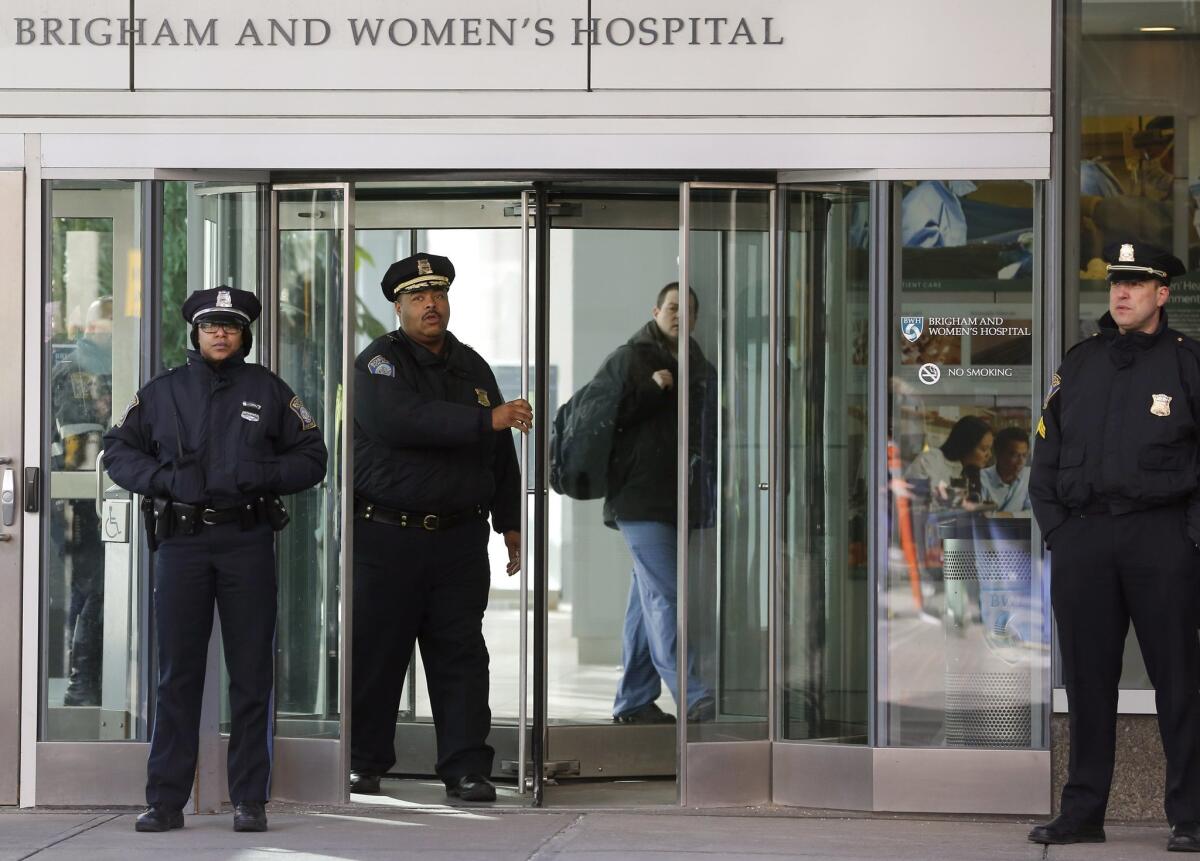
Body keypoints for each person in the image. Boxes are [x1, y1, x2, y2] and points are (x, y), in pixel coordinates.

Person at [103, 287, 328, 834]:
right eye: (210, 327)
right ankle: (165, 801)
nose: (220, 334)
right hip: (182, 545)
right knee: (177, 675)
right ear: (195, 334)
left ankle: (250, 799)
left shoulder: (269, 391)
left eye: (229, 326)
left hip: (246, 542)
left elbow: (312, 456)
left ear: (244, 333)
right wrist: (161, 480)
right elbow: (117, 451)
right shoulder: (162, 392)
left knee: (251, 674)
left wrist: (264, 475)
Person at [1028, 241, 1200, 851]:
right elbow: (1045, 453)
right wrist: (1058, 532)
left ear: (1162, 293)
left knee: (1178, 681)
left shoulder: (1187, 364)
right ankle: (1083, 812)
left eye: (1135, 284)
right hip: (1085, 539)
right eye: (1114, 284)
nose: (1121, 294)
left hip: (1162, 538)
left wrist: (1191, 540)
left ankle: (1191, 815)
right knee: (1087, 682)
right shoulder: (1079, 363)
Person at [349, 253, 526, 803]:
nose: (432, 305)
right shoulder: (378, 363)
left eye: (439, 295)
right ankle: (362, 762)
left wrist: (510, 521)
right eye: (419, 297)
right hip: (388, 537)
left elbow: (500, 449)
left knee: (461, 657)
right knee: (379, 654)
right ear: (398, 306)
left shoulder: (471, 366)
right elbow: (399, 422)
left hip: (459, 540)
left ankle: (467, 769)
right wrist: (484, 419)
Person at [587, 283, 716, 725]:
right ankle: (694, 694)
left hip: (681, 498)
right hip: (640, 499)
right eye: (673, 307)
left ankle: (634, 701)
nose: (681, 316)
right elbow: (601, 416)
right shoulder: (632, 359)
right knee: (667, 597)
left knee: (646, 602)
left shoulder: (700, 366)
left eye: (689, 310)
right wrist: (651, 390)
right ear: (656, 310)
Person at [50, 297, 113, 706]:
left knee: (91, 587)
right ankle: (82, 685)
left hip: (102, 491)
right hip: (83, 493)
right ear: (91, 329)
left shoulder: (122, 364)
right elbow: (78, 440)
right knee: (97, 586)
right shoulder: (73, 372)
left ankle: (88, 681)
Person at [904, 415, 994, 509]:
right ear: (967, 445)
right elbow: (917, 504)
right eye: (984, 449)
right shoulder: (931, 459)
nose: (989, 455)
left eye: (989, 449)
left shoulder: (969, 472)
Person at [979, 426, 1031, 514]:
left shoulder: (1029, 475)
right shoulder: (982, 478)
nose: (1021, 461)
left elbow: (1035, 513)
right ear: (998, 454)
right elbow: (980, 517)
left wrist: (1004, 516)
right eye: (1015, 455)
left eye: (1024, 455)